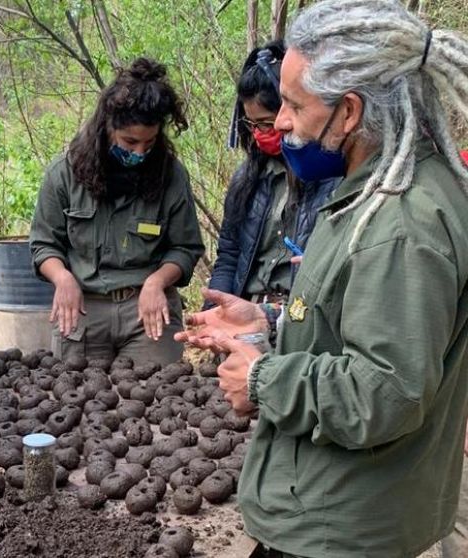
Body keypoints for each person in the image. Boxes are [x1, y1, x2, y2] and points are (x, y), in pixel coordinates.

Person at [177, 1, 468, 555]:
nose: (280, 121)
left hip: (345, 525)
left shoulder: (401, 222)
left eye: (292, 104)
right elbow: (361, 322)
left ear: (350, 112)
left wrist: (264, 381)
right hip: (330, 510)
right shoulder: (369, 192)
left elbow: (388, 390)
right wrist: (269, 320)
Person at [29, 58, 204, 365]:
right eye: (130, 142)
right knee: (77, 401)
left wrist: (157, 282)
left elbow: (185, 248)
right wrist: (62, 278)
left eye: (149, 143)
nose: (140, 152)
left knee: (159, 402)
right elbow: (44, 244)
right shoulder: (64, 173)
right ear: (107, 128)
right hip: (83, 311)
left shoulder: (171, 175)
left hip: (147, 312)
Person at [208, 40, 337, 306]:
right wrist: (215, 308)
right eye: (251, 125)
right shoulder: (247, 178)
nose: (258, 134)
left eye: (266, 124)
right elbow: (230, 254)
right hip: (248, 308)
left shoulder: (330, 177)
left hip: (300, 312)